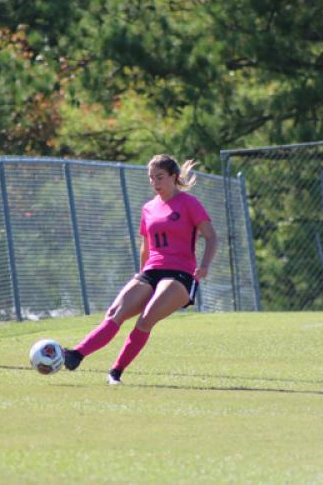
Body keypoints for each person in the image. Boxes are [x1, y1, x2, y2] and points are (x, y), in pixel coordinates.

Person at [64, 154, 218, 384]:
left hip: (180, 274)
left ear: (174, 177)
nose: (155, 182)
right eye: (151, 178)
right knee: (115, 314)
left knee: (145, 320)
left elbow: (211, 237)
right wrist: (141, 276)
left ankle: (115, 373)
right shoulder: (148, 208)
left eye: (160, 177)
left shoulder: (189, 203)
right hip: (151, 271)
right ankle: (75, 355)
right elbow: (145, 246)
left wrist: (204, 265)